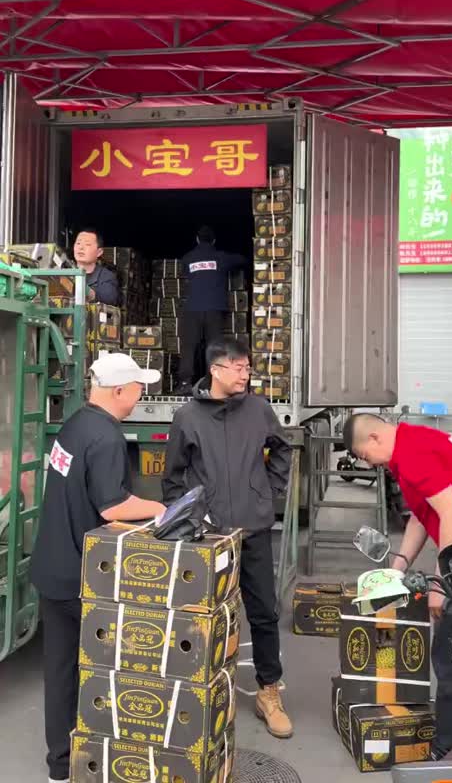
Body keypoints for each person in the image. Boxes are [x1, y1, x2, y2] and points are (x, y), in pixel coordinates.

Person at [31, 354, 166, 783]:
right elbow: (113, 506)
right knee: (111, 668)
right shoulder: (107, 437)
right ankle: (110, 757)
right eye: (138, 388)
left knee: (60, 671)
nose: (141, 395)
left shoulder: (74, 425)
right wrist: (161, 509)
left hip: (51, 567)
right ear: (120, 390)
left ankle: (60, 766)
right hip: (83, 577)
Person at [343, 412, 452, 760]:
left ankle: (448, 754)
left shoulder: (412, 454)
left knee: (451, 658)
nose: (369, 465)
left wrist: (441, 586)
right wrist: (397, 567)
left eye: (365, 456)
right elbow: (423, 514)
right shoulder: (408, 450)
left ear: (374, 439)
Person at [163, 337, 293, 738]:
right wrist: (188, 519)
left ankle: (269, 692)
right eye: (238, 367)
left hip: (253, 529)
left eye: (247, 367)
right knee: (200, 615)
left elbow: (282, 450)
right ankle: (195, 692)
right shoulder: (187, 417)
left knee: (264, 612)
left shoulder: (258, 410)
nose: (245, 374)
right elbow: (173, 476)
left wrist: (268, 492)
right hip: (208, 536)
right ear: (215, 370)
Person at [176, 225, 245, 395]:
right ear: (213, 241)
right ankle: (211, 383)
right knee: (213, 347)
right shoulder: (221, 257)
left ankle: (185, 383)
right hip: (214, 310)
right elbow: (242, 260)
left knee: (189, 347)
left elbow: (185, 273)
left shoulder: (188, 258)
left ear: (197, 239)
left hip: (193, 309)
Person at [73, 228, 120, 305]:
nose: (81, 247)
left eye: (87, 244)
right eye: (78, 243)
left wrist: (88, 292)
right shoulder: (64, 272)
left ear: (99, 252)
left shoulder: (107, 277)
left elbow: (109, 298)